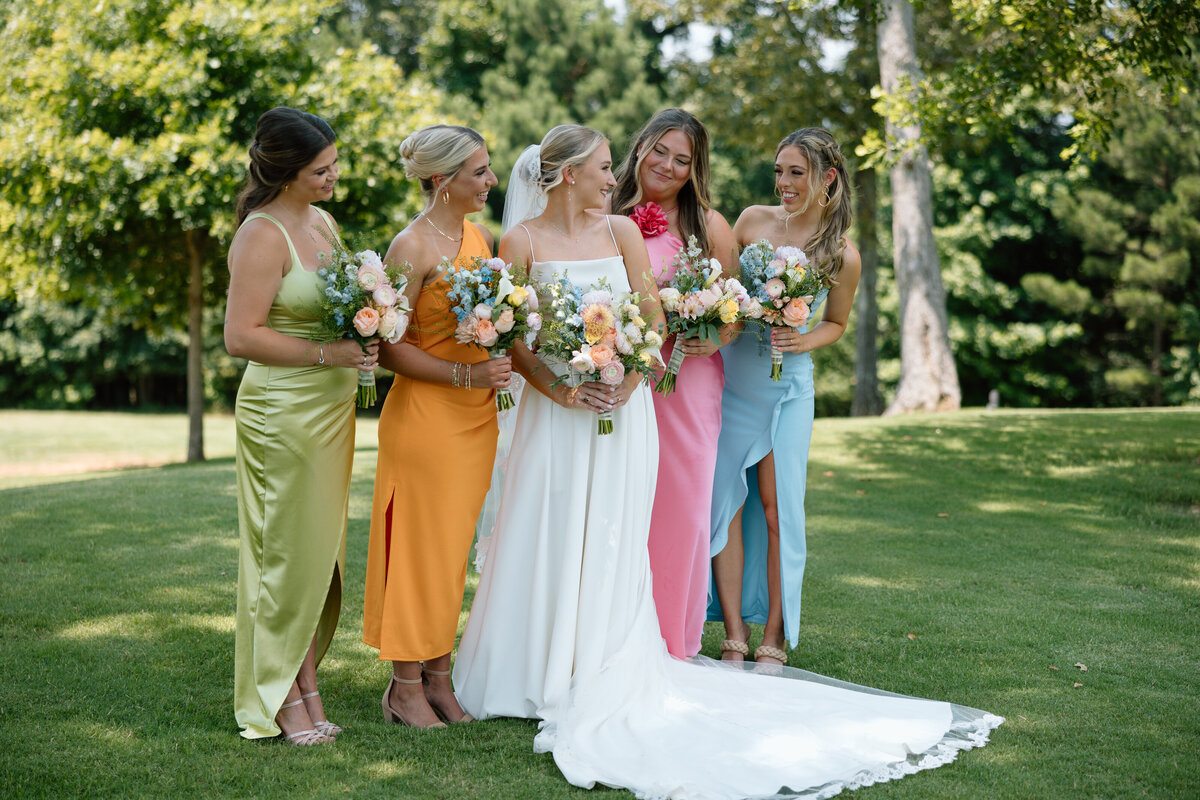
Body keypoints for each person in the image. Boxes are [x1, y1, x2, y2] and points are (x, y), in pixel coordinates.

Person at [453, 125, 1001, 800]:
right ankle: (534, 667)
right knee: (547, 526)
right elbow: (519, 334)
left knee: (625, 533)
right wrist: (565, 387)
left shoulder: (625, 234)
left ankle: (624, 656)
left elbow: (648, 319)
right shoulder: (522, 241)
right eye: (604, 165)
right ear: (570, 175)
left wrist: (623, 383)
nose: (617, 172)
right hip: (555, 413)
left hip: (628, 408)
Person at [227, 107, 378, 745]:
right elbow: (241, 337)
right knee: (283, 557)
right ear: (287, 172)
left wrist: (370, 326)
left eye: (334, 163)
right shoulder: (262, 235)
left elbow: (338, 306)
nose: (334, 176)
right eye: (321, 169)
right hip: (282, 415)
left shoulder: (323, 222)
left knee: (318, 555)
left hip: (331, 413)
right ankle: (280, 694)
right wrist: (329, 354)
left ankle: (307, 684)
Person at [361, 124, 508, 729]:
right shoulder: (411, 247)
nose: (491, 181)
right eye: (479, 172)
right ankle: (404, 687)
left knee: (450, 553)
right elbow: (386, 344)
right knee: (418, 550)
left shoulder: (482, 237)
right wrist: (464, 376)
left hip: (477, 420)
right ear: (443, 181)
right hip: (425, 416)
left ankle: (441, 681)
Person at [709, 127, 859, 667]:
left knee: (777, 511)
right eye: (779, 171)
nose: (785, 182)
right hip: (734, 376)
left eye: (797, 172)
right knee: (724, 502)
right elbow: (723, 293)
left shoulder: (841, 253)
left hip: (788, 388)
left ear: (827, 178)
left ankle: (773, 634)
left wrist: (804, 336)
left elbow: (837, 322)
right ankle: (733, 633)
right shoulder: (751, 221)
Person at [611, 108, 737, 658]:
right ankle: (614, 638)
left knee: (681, 508)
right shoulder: (602, 212)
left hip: (686, 380)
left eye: (682, 160)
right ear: (640, 147)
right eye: (659, 150)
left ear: (694, 170)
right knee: (621, 506)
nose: (666, 165)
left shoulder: (708, 225)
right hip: (619, 379)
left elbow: (733, 310)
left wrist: (715, 336)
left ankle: (674, 643)